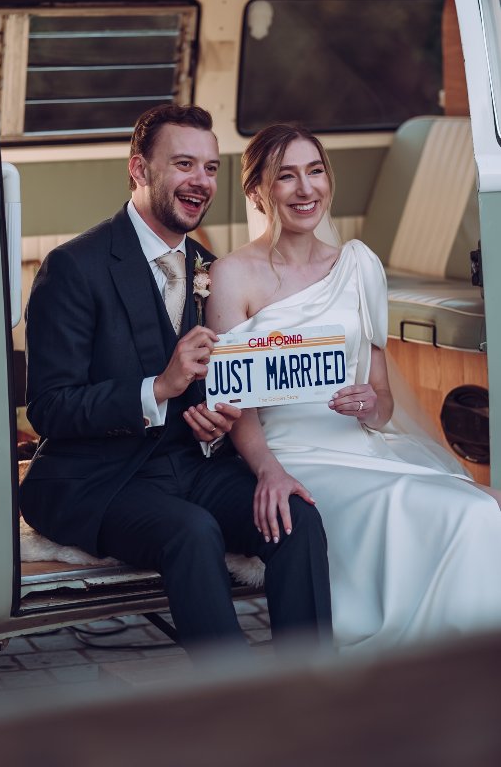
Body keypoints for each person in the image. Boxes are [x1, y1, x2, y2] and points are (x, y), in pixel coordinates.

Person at [19, 105, 332, 653]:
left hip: (188, 466)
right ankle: (231, 704)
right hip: (95, 478)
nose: (201, 181)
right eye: (184, 164)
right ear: (139, 170)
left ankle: (309, 689)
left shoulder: (215, 269)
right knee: (191, 531)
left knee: (295, 519)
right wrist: (156, 389)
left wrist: (215, 419)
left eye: (210, 168)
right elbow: (49, 407)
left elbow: (221, 385)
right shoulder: (73, 267)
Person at [206, 122, 501, 654]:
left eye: (315, 172)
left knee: (485, 510)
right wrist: (269, 471)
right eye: (286, 177)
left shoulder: (360, 266)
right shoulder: (233, 276)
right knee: (470, 513)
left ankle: (463, 662)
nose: (305, 190)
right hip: (295, 458)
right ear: (257, 192)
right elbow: (234, 400)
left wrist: (369, 404)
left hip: (363, 449)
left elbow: (383, 402)